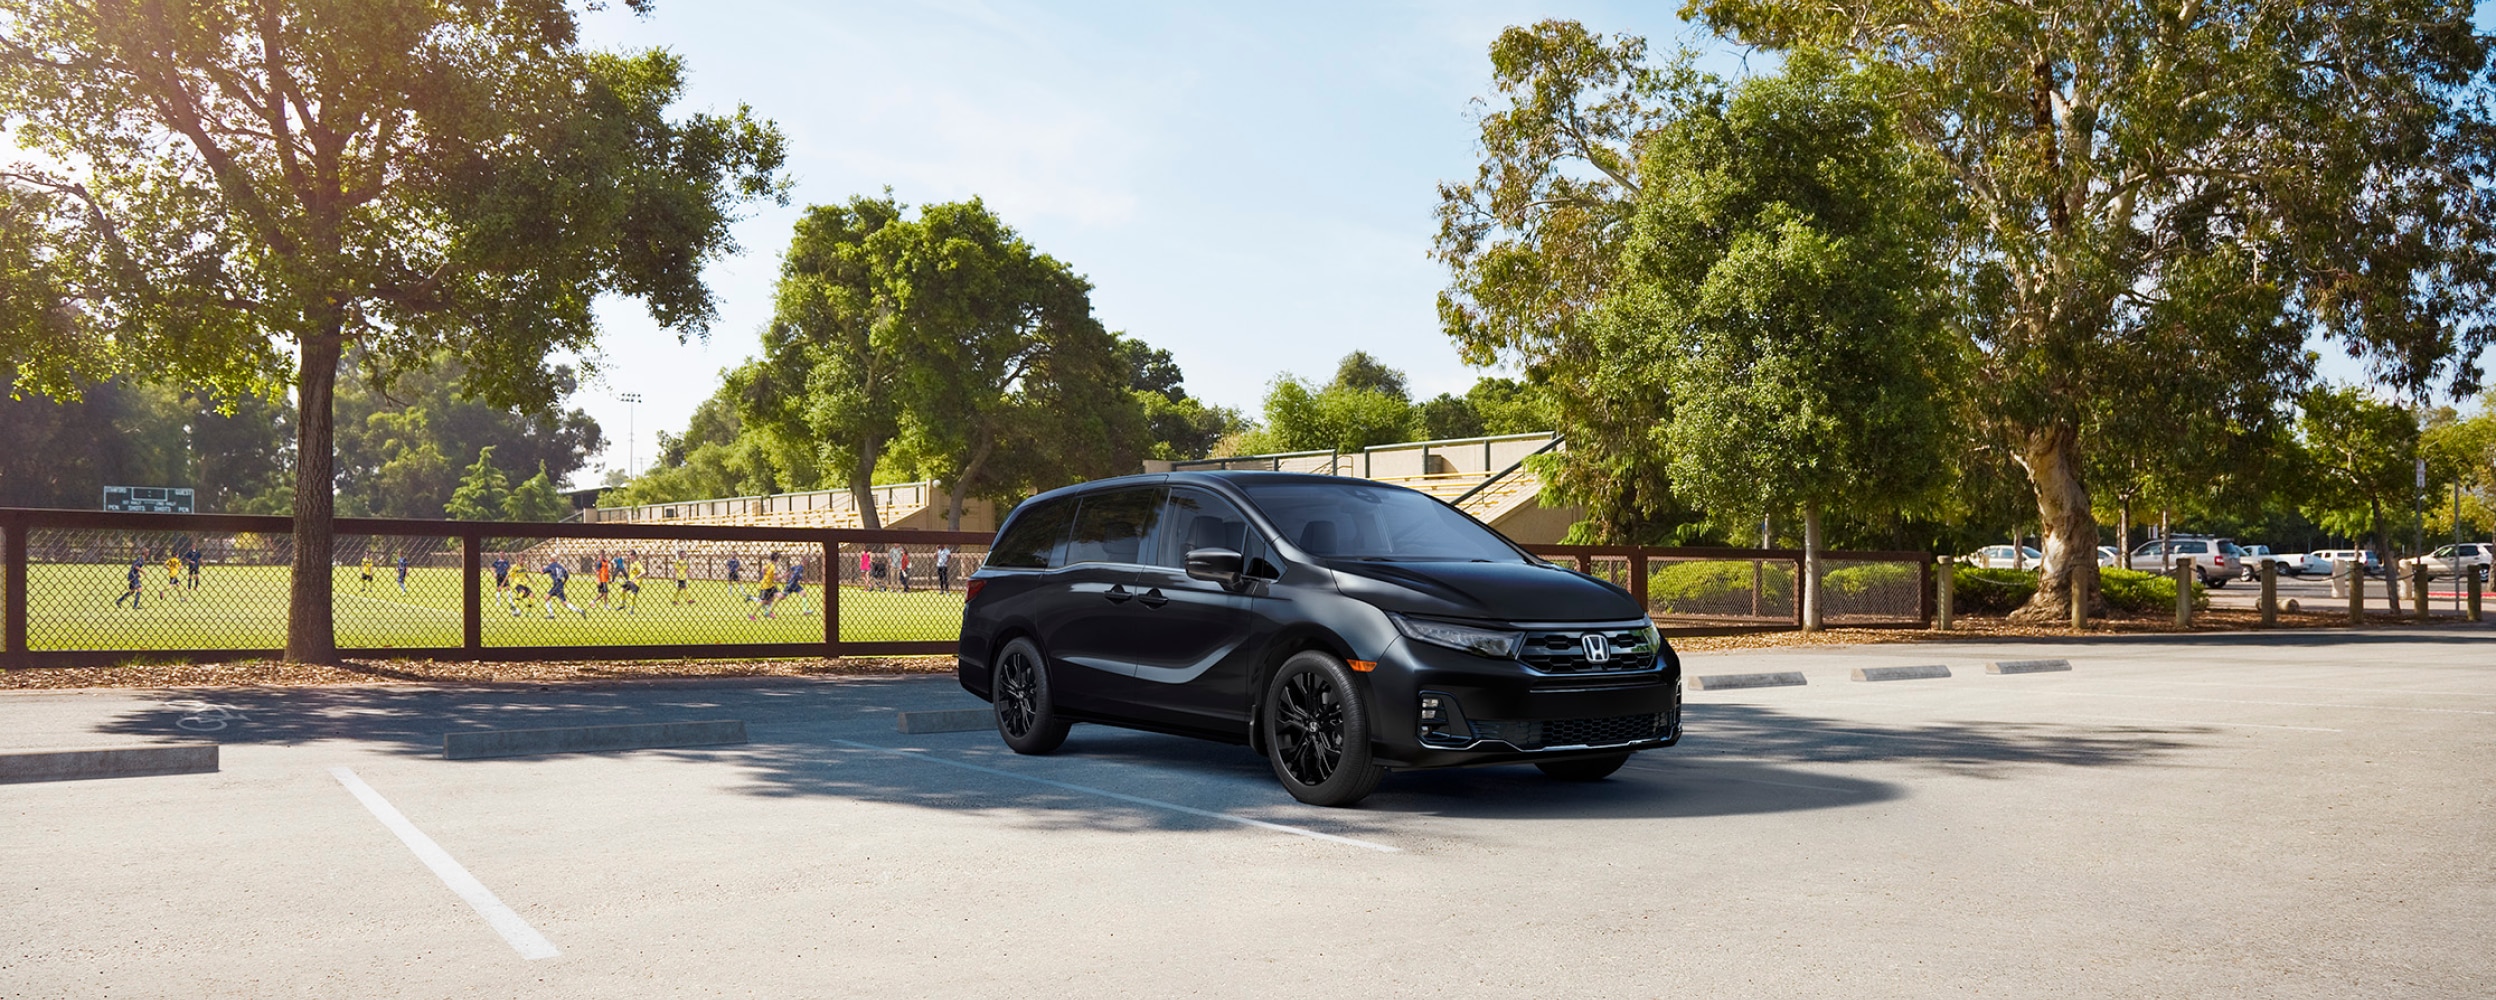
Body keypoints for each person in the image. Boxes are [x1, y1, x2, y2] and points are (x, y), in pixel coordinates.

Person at [750, 552, 782, 620]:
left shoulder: (768, 564)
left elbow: (763, 570)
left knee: (777, 597)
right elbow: (776, 578)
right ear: (777, 559)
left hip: (770, 585)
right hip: (766, 586)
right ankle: (752, 615)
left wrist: (765, 576)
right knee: (764, 601)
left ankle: (769, 612)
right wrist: (784, 576)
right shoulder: (773, 567)